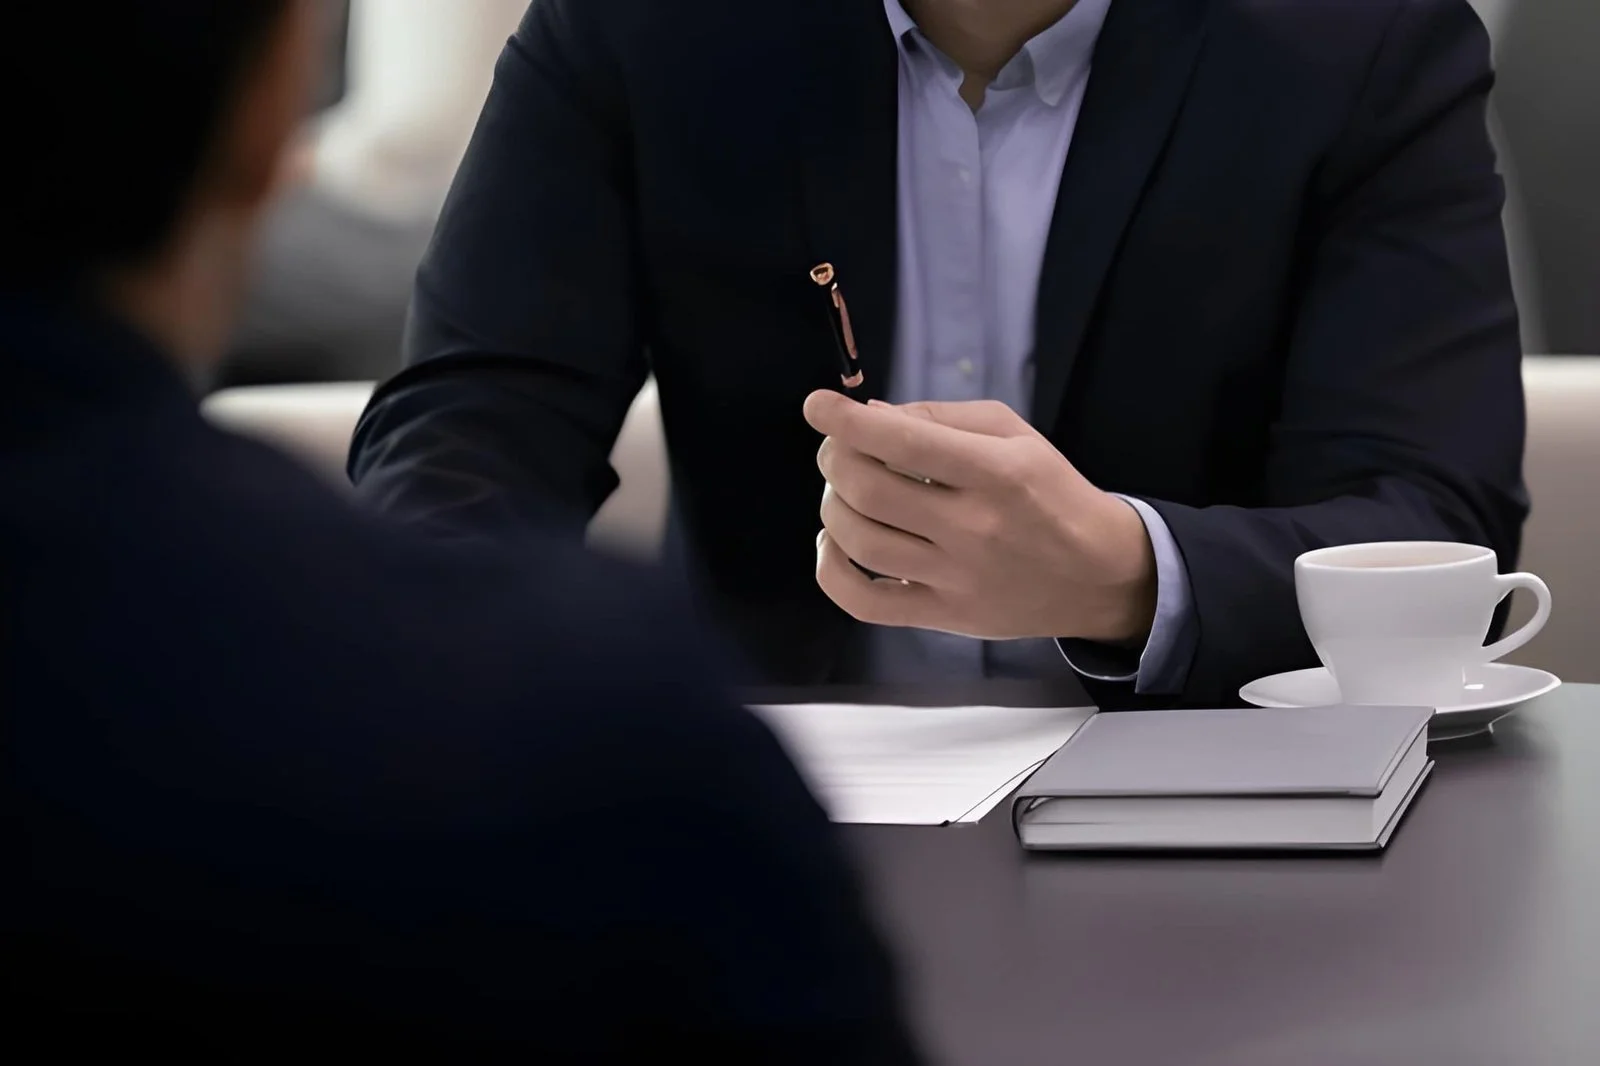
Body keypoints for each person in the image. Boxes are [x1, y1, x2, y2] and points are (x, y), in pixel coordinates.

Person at [1, 2, 918, 1060]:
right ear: (271, 115)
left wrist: (1150, 573)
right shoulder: (604, 751)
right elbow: (473, 403)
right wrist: (454, 664)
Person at [348, 0, 1529, 709]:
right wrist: (461, 664)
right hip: (770, 793)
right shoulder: (644, 27)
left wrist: (1127, 575)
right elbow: (473, 425)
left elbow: (1429, 520)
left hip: (1220, 806)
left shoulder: (1360, 40)